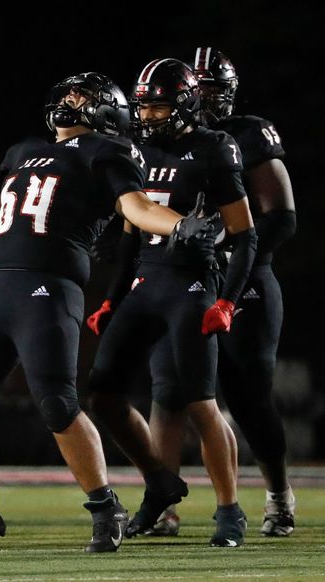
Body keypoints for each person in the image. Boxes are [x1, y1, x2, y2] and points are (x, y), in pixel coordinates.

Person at [0, 72, 216, 553]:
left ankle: (107, 509)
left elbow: (138, 207)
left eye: (81, 96)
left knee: (57, 403)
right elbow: (3, 226)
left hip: (49, 289)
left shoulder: (107, 152)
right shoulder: (23, 151)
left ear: (107, 112)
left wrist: (179, 226)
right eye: (66, 93)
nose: (69, 100)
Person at [85, 58, 257, 547]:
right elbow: (129, 234)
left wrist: (227, 300)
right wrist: (110, 298)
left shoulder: (214, 148)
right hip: (144, 281)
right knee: (103, 392)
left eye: (157, 105)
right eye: (144, 106)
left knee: (200, 401)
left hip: (191, 284)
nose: (148, 115)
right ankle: (161, 489)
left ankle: (230, 510)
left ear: (183, 103)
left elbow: (245, 236)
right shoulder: (134, 148)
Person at [144, 48, 297, 538]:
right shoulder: (161, 141)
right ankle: (163, 503)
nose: (206, 99)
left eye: (213, 89)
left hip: (244, 280)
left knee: (249, 395)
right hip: (184, 280)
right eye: (198, 89)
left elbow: (281, 215)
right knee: (169, 391)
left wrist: (231, 254)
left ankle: (277, 494)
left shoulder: (247, 134)